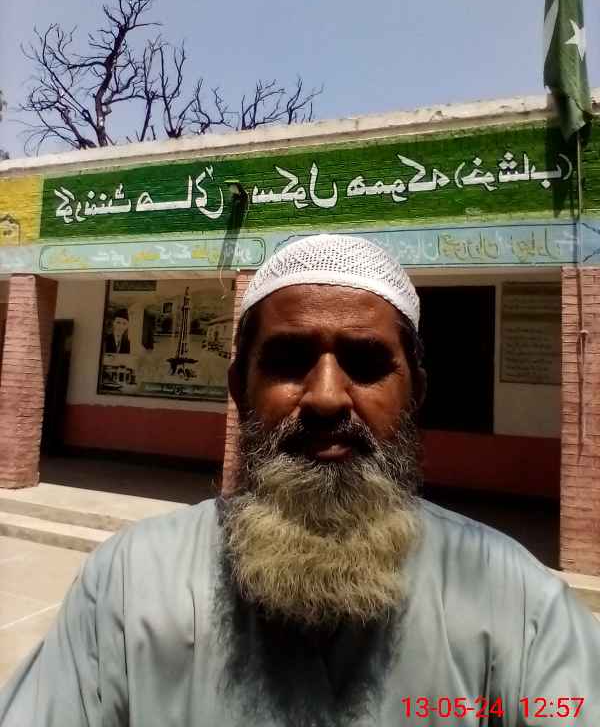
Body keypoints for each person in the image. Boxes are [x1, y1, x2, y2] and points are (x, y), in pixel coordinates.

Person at [1, 233, 599, 727]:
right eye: (288, 361)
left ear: (415, 392)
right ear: (240, 390)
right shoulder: (130, 584)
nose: (326, 397)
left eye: (365, 364)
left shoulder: (514, 598)